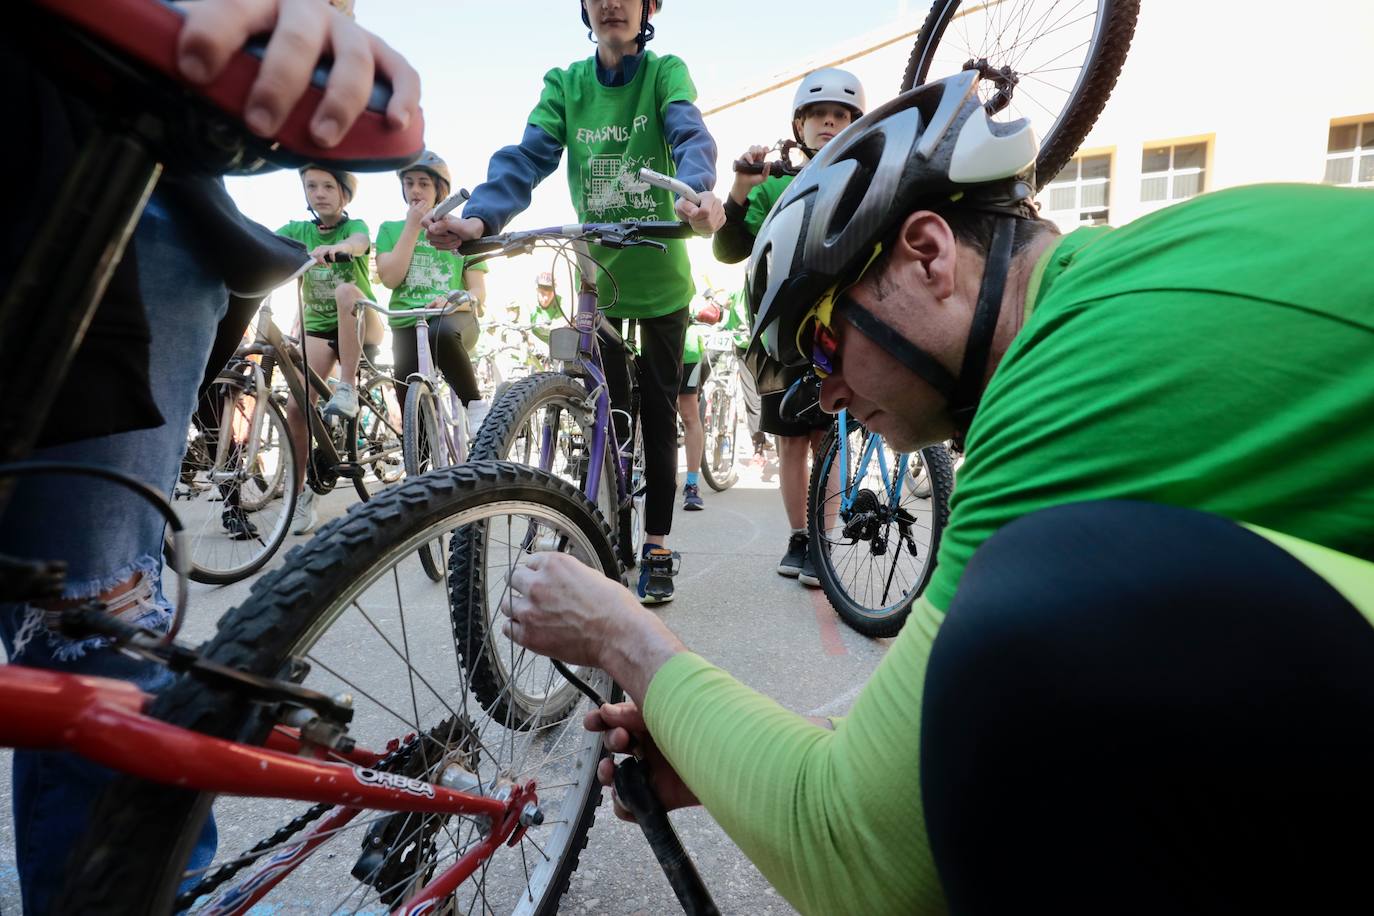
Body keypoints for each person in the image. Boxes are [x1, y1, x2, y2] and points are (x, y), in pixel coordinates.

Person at [497, 69, 1374, 915]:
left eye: (825, 348)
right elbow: (919, 748)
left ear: (927, 255)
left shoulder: (1068, 391)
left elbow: (855, 856)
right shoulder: (1129, 279)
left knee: (1034, 624)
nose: (826, 396)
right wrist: (716, 752)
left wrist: (627, 638)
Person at [0, 1, 421, 911]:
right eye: (308, 194)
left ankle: (350, 409)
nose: (315, 201)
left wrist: (317, 11)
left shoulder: (353, 228)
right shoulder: (303, 225)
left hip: (92, 166)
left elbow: (368, 266)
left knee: (88, 636)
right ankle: (294, 459)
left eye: (322, 193)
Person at [425, 0, 725, 604]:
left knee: (659, 413)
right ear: (583, 7)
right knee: (608, 417)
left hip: (663, 277)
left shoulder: (665, 73)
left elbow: (689, 134)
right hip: (597, 278)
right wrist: (483, 216)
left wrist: (697, 193)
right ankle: (611, 534)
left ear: (649, 7)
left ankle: (658, 544)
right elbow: (527, 157)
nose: (612, 2)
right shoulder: (565, 84)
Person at [713, 67, 865, 587]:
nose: (829, 122)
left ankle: (822, 541)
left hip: (834, 326)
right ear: (799, 125)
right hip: (779, 328)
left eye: (840, 115)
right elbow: (730, 249)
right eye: (819, 115)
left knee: (830, 432)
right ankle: (799, 537)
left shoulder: (863, 172)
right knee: (791, 441)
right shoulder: (774, 180)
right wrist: (738, 190)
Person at [275, 165, 379, 534]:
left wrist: (341, 249)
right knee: (296, 406)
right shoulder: (296, 231)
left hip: (361, 320)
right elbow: (266, 243)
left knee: (345, 291)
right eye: (311, 186)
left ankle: (347, 387)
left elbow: (361, 242)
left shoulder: (354, 226)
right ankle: (300, 492)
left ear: (344, 193)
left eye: (328, 186)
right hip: (319, 329)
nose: (319, 193)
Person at [376, 150, 491, 435]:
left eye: (424, 184)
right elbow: (390, 278)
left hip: (453, 320)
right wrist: (412, 228)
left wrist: (455, 302)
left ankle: (475, 404)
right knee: (413, 421)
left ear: (440, 190)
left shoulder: (461, 229)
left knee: (438, 330)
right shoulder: (390, 230)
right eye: (409, 183)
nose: (415, 190)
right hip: (406, 324)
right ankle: (421, 471)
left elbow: (478, 291)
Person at [676, 295, 718, 510]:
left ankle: (692, 484)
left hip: (686, 349)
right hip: (641, 344)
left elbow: (704, 305)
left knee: (689, 414)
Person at [531, 270, 565, 345]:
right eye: (542, 293)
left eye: (549, 293)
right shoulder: (529, 304)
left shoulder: (561, 302)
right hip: (535, 344)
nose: (546, 298)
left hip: (555, 343)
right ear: (537, 291)